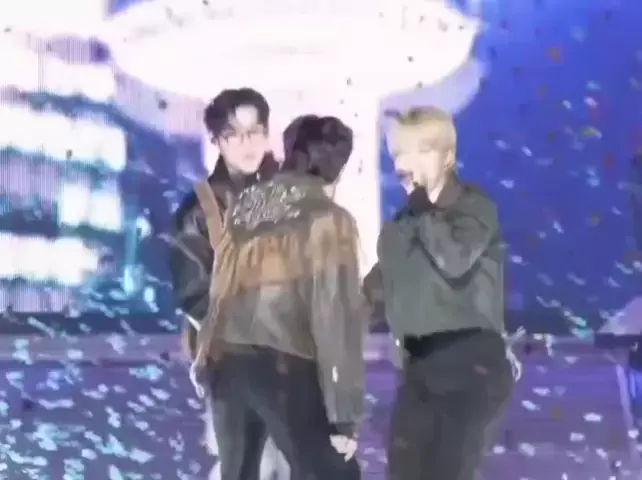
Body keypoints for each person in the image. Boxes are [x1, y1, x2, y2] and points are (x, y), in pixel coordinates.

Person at [191, 115, 365, 479]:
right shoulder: (328, 219)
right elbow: (335, 318)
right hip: (284, 365)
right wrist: (343, 415)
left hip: (226, 363)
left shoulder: (245, 208)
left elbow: (220, 287)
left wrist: (204, 356)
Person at [370, 106, 514, 480]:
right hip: (419, 370)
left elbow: (455, 258)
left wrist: (422, 209)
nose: (406, 162)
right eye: (399, 152)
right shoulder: (398, 227)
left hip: (470, 365)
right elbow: (374, 293)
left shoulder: (473, 206)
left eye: (420, 150)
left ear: (447, 156)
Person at [170, 88, 285, 480]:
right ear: (217, 140)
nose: (246, 143)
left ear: (267, 134)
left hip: (298, 360)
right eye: (234, 134)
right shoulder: (199, 209)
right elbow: (191, 290)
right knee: (242, 466)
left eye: (255, 131)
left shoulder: (295, 197)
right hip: (235, 360)